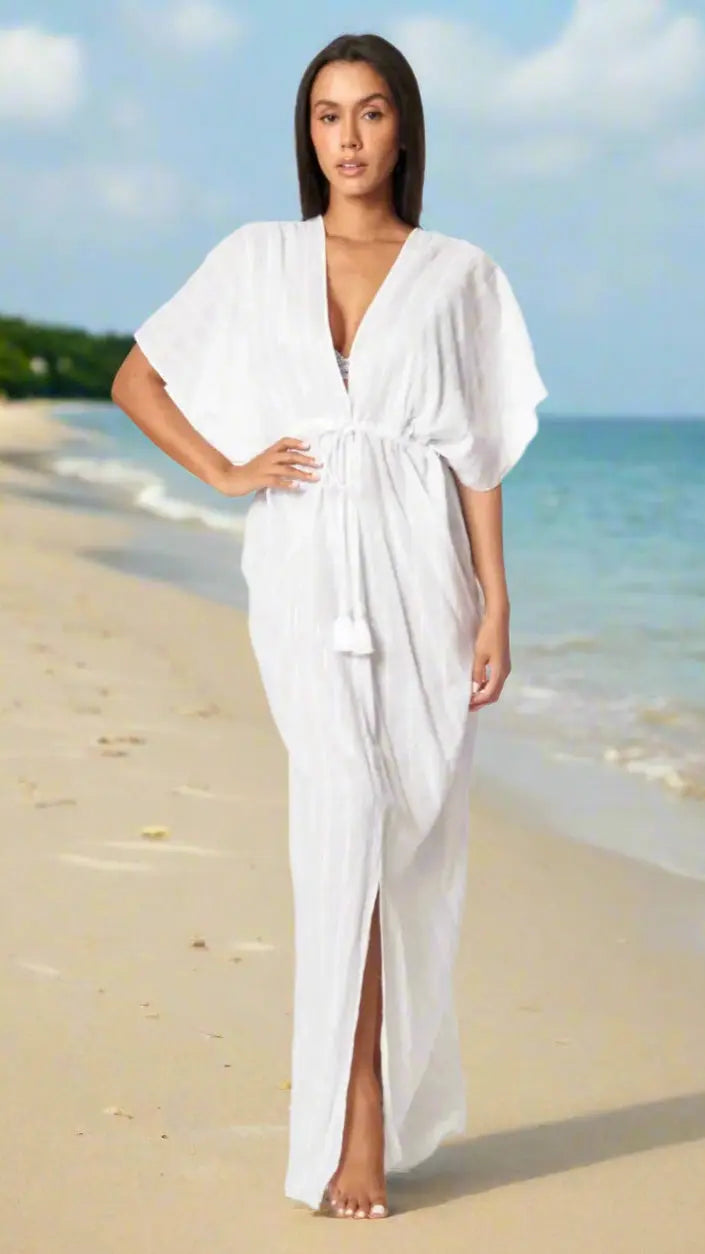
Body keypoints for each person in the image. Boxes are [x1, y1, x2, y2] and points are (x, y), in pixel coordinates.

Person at [111, 31, 548, 1223]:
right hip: (304, 566)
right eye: (323, 117)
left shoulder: (458, 271)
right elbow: (138, 378)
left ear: (403, 128)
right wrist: (225, 471)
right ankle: (354, 1113)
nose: (345, 138)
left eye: (367, 114)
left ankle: (395, 1099)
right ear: (304, 137)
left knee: (406, 833)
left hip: (423, 571)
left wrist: (496, 597)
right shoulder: (258, 257)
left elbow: (479, 448)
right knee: (343, 818)